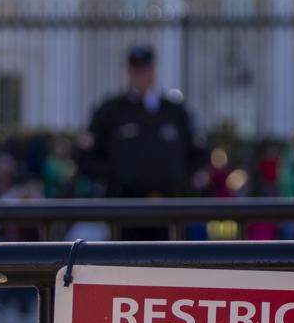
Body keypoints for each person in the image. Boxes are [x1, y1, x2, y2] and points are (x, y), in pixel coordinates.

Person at [80, 44, 204, 239]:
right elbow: (87, 156)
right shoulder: (111, 110)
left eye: (144, 69)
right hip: (125, 208)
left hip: (170, 207)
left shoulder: (174, 111)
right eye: (135, 70)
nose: (140, 75)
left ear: (153, 71)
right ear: (128, 72)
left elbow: (197, 152)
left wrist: (182, 182)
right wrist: (115, 176)